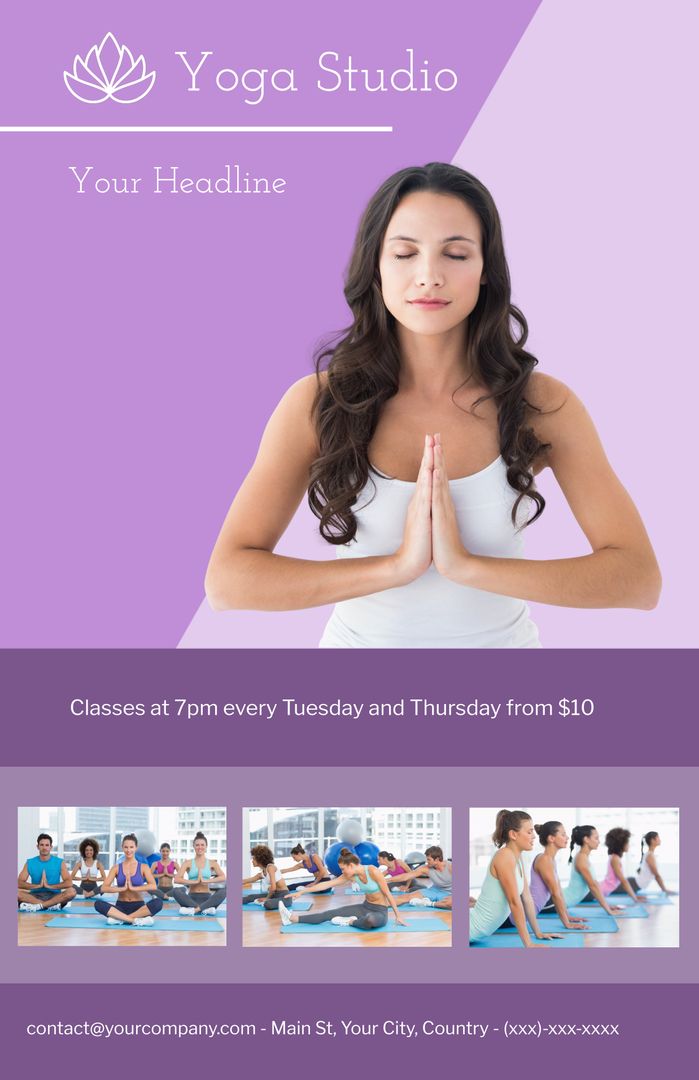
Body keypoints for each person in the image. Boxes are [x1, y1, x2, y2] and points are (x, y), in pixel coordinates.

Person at [205, 162, 661, 649]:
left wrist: (465, 566)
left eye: (456, 254)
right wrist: (397, 567)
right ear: (376, 268)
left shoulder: (542, 404)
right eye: (404, 253)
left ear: (486, 271)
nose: (429, 277)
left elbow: (638, 580)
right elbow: (228, 582)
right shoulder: (318, 403)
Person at [469, 811, 562, 947]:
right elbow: (514, 903)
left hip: (477, 933)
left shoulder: (517, 859)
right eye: (529, 832)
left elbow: (527, 899)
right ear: (513, 834)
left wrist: (538, 933)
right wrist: (528, 944)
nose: (534, 836)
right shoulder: (504, 856)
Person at [278, 848, 409, 930]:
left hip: (380, 911)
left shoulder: (373, 871)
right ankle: (292, 919)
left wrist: (398, 916)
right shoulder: (349, 874)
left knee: (370, 920)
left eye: (343, 868)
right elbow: (327, 884)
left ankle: (351, 922)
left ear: (351, 865)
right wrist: (302, 891)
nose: (342, 871)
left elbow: (388, 894)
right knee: (328, 914)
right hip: (364, 906)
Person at [94, 834, 163, 926]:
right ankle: (135, 920)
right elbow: (104, 888)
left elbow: (153, 886)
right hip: (121, 906)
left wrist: (134, 888)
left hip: (139, 908)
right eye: (126, 847)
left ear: (136, 848)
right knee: (98, 904)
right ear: (122, 847)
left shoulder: (143, 867)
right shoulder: (116, 868)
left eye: (131, 847)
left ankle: (121, 919)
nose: (128, 850)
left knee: (158, 903)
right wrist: (121, 889)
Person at [529, 821, 588, 929]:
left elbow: (559, 892)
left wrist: (567, 916)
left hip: (524, 915)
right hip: (513, 917)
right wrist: (567, 924)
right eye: (563, 834)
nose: (567, 837)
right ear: (551, 838)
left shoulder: (550, 859)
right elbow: (555, 894)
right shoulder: (544, 859)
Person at [563, 826, 626, 913]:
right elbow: (592, 886)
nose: (599, 841)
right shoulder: (581, 858)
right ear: (586, 839)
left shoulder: (584, 857)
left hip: (564, 901)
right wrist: (608, 910)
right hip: (561, 901)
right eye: (596, 838)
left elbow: (595, 884)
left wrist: (607, 906)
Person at [18, 833, 77, 912]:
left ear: (51, 847)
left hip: (55, 896)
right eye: (42, 845)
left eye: (47, 845)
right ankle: (49, 906)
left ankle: (39, 906)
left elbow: (69, 883)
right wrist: (38, 886)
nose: (44, 847)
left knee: (72, 891)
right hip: (35, 896)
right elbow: (19, 883)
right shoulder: (30, 862)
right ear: (37, 846)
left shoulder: (59, 862)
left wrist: (49, 886)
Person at [379, 845, 452, 907]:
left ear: (437, 859)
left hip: (449, 893)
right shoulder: (425, 868)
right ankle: (380, 905)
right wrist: (386, 880)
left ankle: (428, 903)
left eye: (429, 860)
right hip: (433, 891)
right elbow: (406, 876)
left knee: (451, 903)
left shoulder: (450, 866)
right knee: (405, 897)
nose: (427, 862)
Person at [173, 831, 227, 915]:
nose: (200, 847)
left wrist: (206, 881)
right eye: (197, 845)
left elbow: (223, 877)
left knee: (224, 891)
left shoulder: (212, 863)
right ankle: (204, 909)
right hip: (191, 898)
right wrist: (194, 881)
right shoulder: (188, 863)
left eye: (202, 845)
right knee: (175, 891)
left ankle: (194, 910)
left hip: (207, 898)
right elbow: (176, 879)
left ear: (206, 847)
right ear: (193, 846)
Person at [242, 844, 294, 909]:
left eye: (254, 859)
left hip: (285, 896)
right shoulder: (262, 873)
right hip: (273, 895)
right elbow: (247, 880)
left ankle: (269, 901)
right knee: (250, 897)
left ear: (260, 859)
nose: (252, 861)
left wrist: (266, 898)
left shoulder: (270, 867)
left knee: (268, 904)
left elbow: (273, 887)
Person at [601, 828, 644, 902]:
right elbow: (623, 880)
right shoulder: (615, 858)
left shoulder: (615, 857)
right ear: (621, 844)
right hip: (601, 890)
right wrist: (634, 898)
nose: (629, 845)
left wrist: (635, 896)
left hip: (603, 890)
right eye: (627, 843)